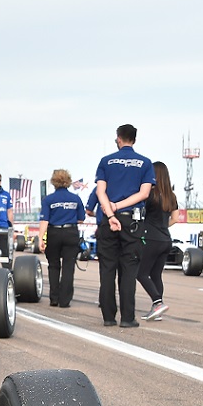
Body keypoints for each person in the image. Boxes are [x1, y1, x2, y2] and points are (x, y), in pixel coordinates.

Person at [94, 123, 155, 328]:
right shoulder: (145, 163)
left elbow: (100, 192)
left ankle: (108, 317)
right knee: (129, 270)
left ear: (118, 138)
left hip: (108, 219)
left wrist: (111, 213)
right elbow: (144, 193)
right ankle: (127, 318)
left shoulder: (105, 161)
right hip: (133, 221)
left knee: (107, 269)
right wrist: (120, 207)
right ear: (134, 140)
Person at [137, 161, 179, 319]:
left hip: (151, 238)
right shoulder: (171, 196)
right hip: (166, 239)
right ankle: (157, 310)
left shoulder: (151, 194)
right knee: (156, 275)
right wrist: (162, 226)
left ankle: (158, 302)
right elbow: (175, 218)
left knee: (140, 273)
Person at [38, 169, 85, 308]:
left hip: (54, 232)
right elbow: (81, 219)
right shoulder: (75, 198)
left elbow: (44, 220)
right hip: (71, 232)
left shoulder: (48, 199)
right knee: (68, 266)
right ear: (68, 181)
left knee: (53, 265)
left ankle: (54, 298)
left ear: (54, 182)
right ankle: (65, 300)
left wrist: (40, 238)